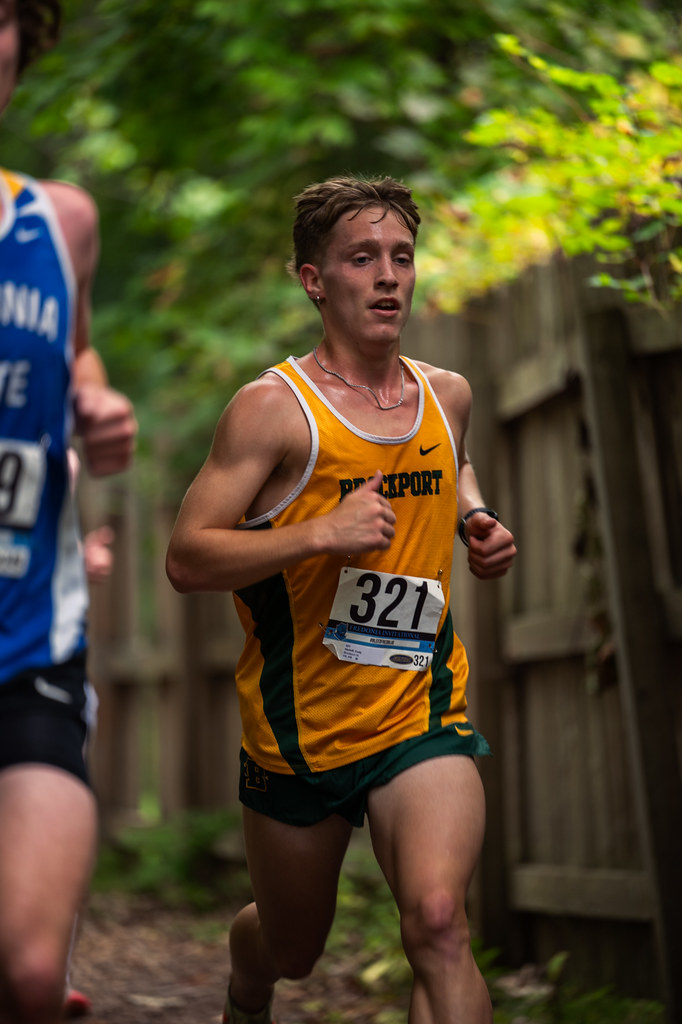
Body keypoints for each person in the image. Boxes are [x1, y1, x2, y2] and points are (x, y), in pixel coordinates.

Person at [166, 175, 516, 1024]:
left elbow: (450, 456)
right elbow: (187, 557)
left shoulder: (447, 393)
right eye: (363, 258)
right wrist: (319, 534)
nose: (390, 276)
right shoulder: (272, 412)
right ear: (314, 279)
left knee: (437, 922)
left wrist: (473, 516)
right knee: (292, 950)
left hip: (417, 707)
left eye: (401, 257)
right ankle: (247, 985)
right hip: (299, 730)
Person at [0, 2, 137, 1022]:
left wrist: (95, 396)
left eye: (4, 18)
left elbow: (79, 347)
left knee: (34, 977)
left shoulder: (62, 220)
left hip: (29, 639)